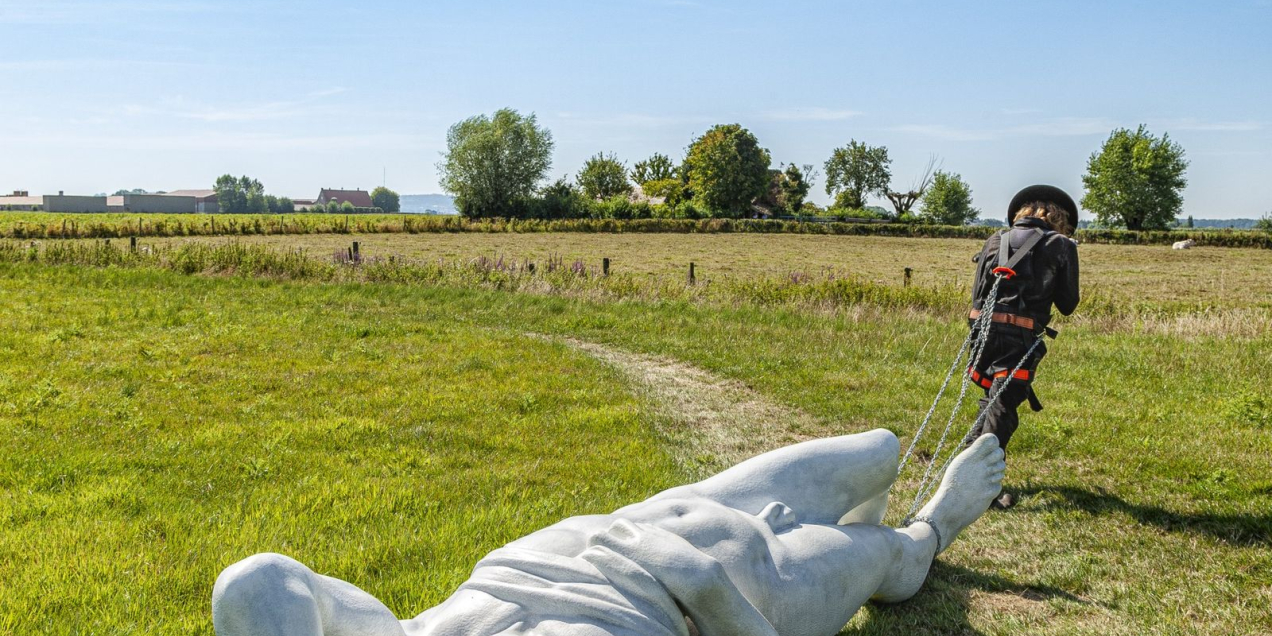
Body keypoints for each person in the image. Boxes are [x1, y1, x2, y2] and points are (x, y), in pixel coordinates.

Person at [212, 430, 1007, 636]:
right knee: (893, 561)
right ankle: (939, 521)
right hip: (760, 580)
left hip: (660, 512)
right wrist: (698, 583)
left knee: (876, 451)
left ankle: (867, 513)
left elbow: (260, 585)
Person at [967, 184, 1081, 509]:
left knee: (992, 401)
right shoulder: (1060, 245)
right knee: (1003, 410)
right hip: (1021, 336)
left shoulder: (994, 241)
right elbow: (1068, 304)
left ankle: (963, 468)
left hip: (983, 333)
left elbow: (977, 297)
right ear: (1058, 217)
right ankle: (977, 489)